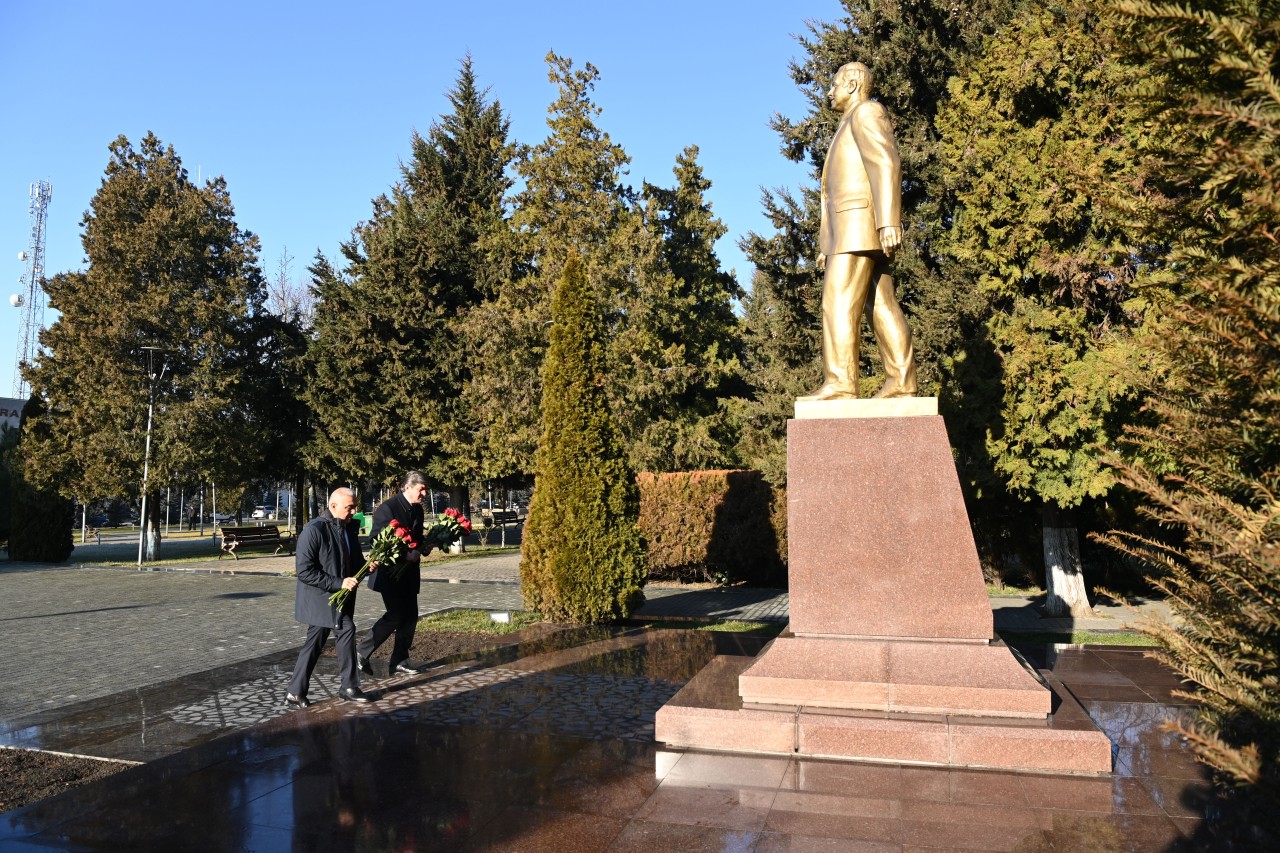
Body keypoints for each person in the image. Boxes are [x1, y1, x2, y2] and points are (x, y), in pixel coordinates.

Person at [800, 61, 918, 401]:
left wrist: (888, 221)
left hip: (858, 228)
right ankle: (902, 382)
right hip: (849, 231)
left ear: (852, 85)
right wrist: (827, 243)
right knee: (880, 304)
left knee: (836, 302)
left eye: (834, 84)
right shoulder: (849, 121)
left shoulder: (866, 112)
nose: (829, 91)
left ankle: (841, 383)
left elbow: (885, 162)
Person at [286, 487, 372, 706]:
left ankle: (295, 691)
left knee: (315, 642)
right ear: (333, 506)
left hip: (340, 596)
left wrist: (367, 567)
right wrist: (338, 583)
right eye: (349, 507)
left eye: (354, 507)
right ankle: (349, 687)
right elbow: (304, 570)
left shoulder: (347, 528)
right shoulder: (314, 530)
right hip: (321, 598)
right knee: (347, 629)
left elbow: (352, 560)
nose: (354, 512)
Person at [357, 471, 428, 678]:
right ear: (407, 487)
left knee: (410, 616)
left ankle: (400, 660)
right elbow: (376, 540)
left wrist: (424, 546)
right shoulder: (388, 508)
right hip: (389, 573)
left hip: (409, 573)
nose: (423, 493)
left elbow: (416, 538)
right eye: (420, 489)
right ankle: (361, 652)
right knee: (395, 615)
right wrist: (406, 553)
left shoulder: (417, 510)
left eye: (425, 490)